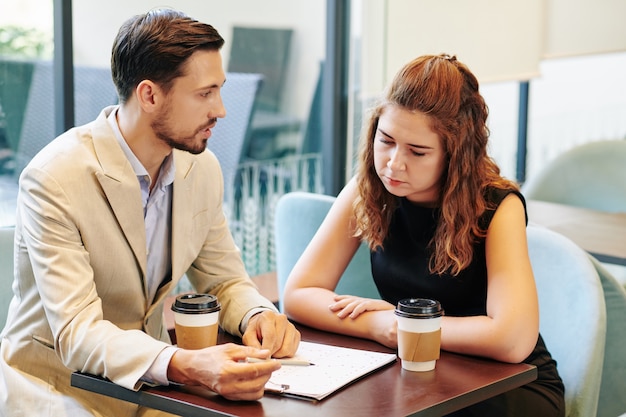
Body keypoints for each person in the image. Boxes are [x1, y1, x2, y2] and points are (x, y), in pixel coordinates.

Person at [0, 8, 300, 417]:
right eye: (204, 93)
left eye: (220, 90)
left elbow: (225, 280)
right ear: (149, 95)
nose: (221, 110)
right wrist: (184, 363)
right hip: (58, 387)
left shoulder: (201, 168)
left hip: (151, 388)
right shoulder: (54, 178)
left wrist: (258, 314)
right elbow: (77, 333)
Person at [283, 54, 565, 417]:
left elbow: (511, 340)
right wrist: (381, 325)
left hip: (509, 384)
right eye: (385, 140)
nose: (393, 163)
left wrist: (407, 327)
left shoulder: (497, 206)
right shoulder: (368, 187)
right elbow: (298, 294)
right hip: (423, 374)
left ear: (455, 154)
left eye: (418, 151)